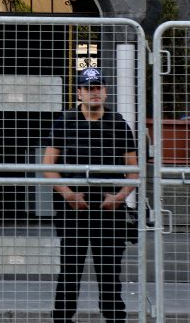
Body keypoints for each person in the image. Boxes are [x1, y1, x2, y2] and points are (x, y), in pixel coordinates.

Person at [43, 67, 138, 323]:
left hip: (109, 210)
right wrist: (69, 195)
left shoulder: (117, 123)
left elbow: (134, 170)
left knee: (109, 271)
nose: (94, 92)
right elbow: (48, 166)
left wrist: (118, 199)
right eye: (88, 88)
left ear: (105, 92)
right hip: (72, 210)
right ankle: (62, 318)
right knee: (70, 270)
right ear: (79, 93)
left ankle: (114, 318)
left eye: (98, 87)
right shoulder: (65, 120)